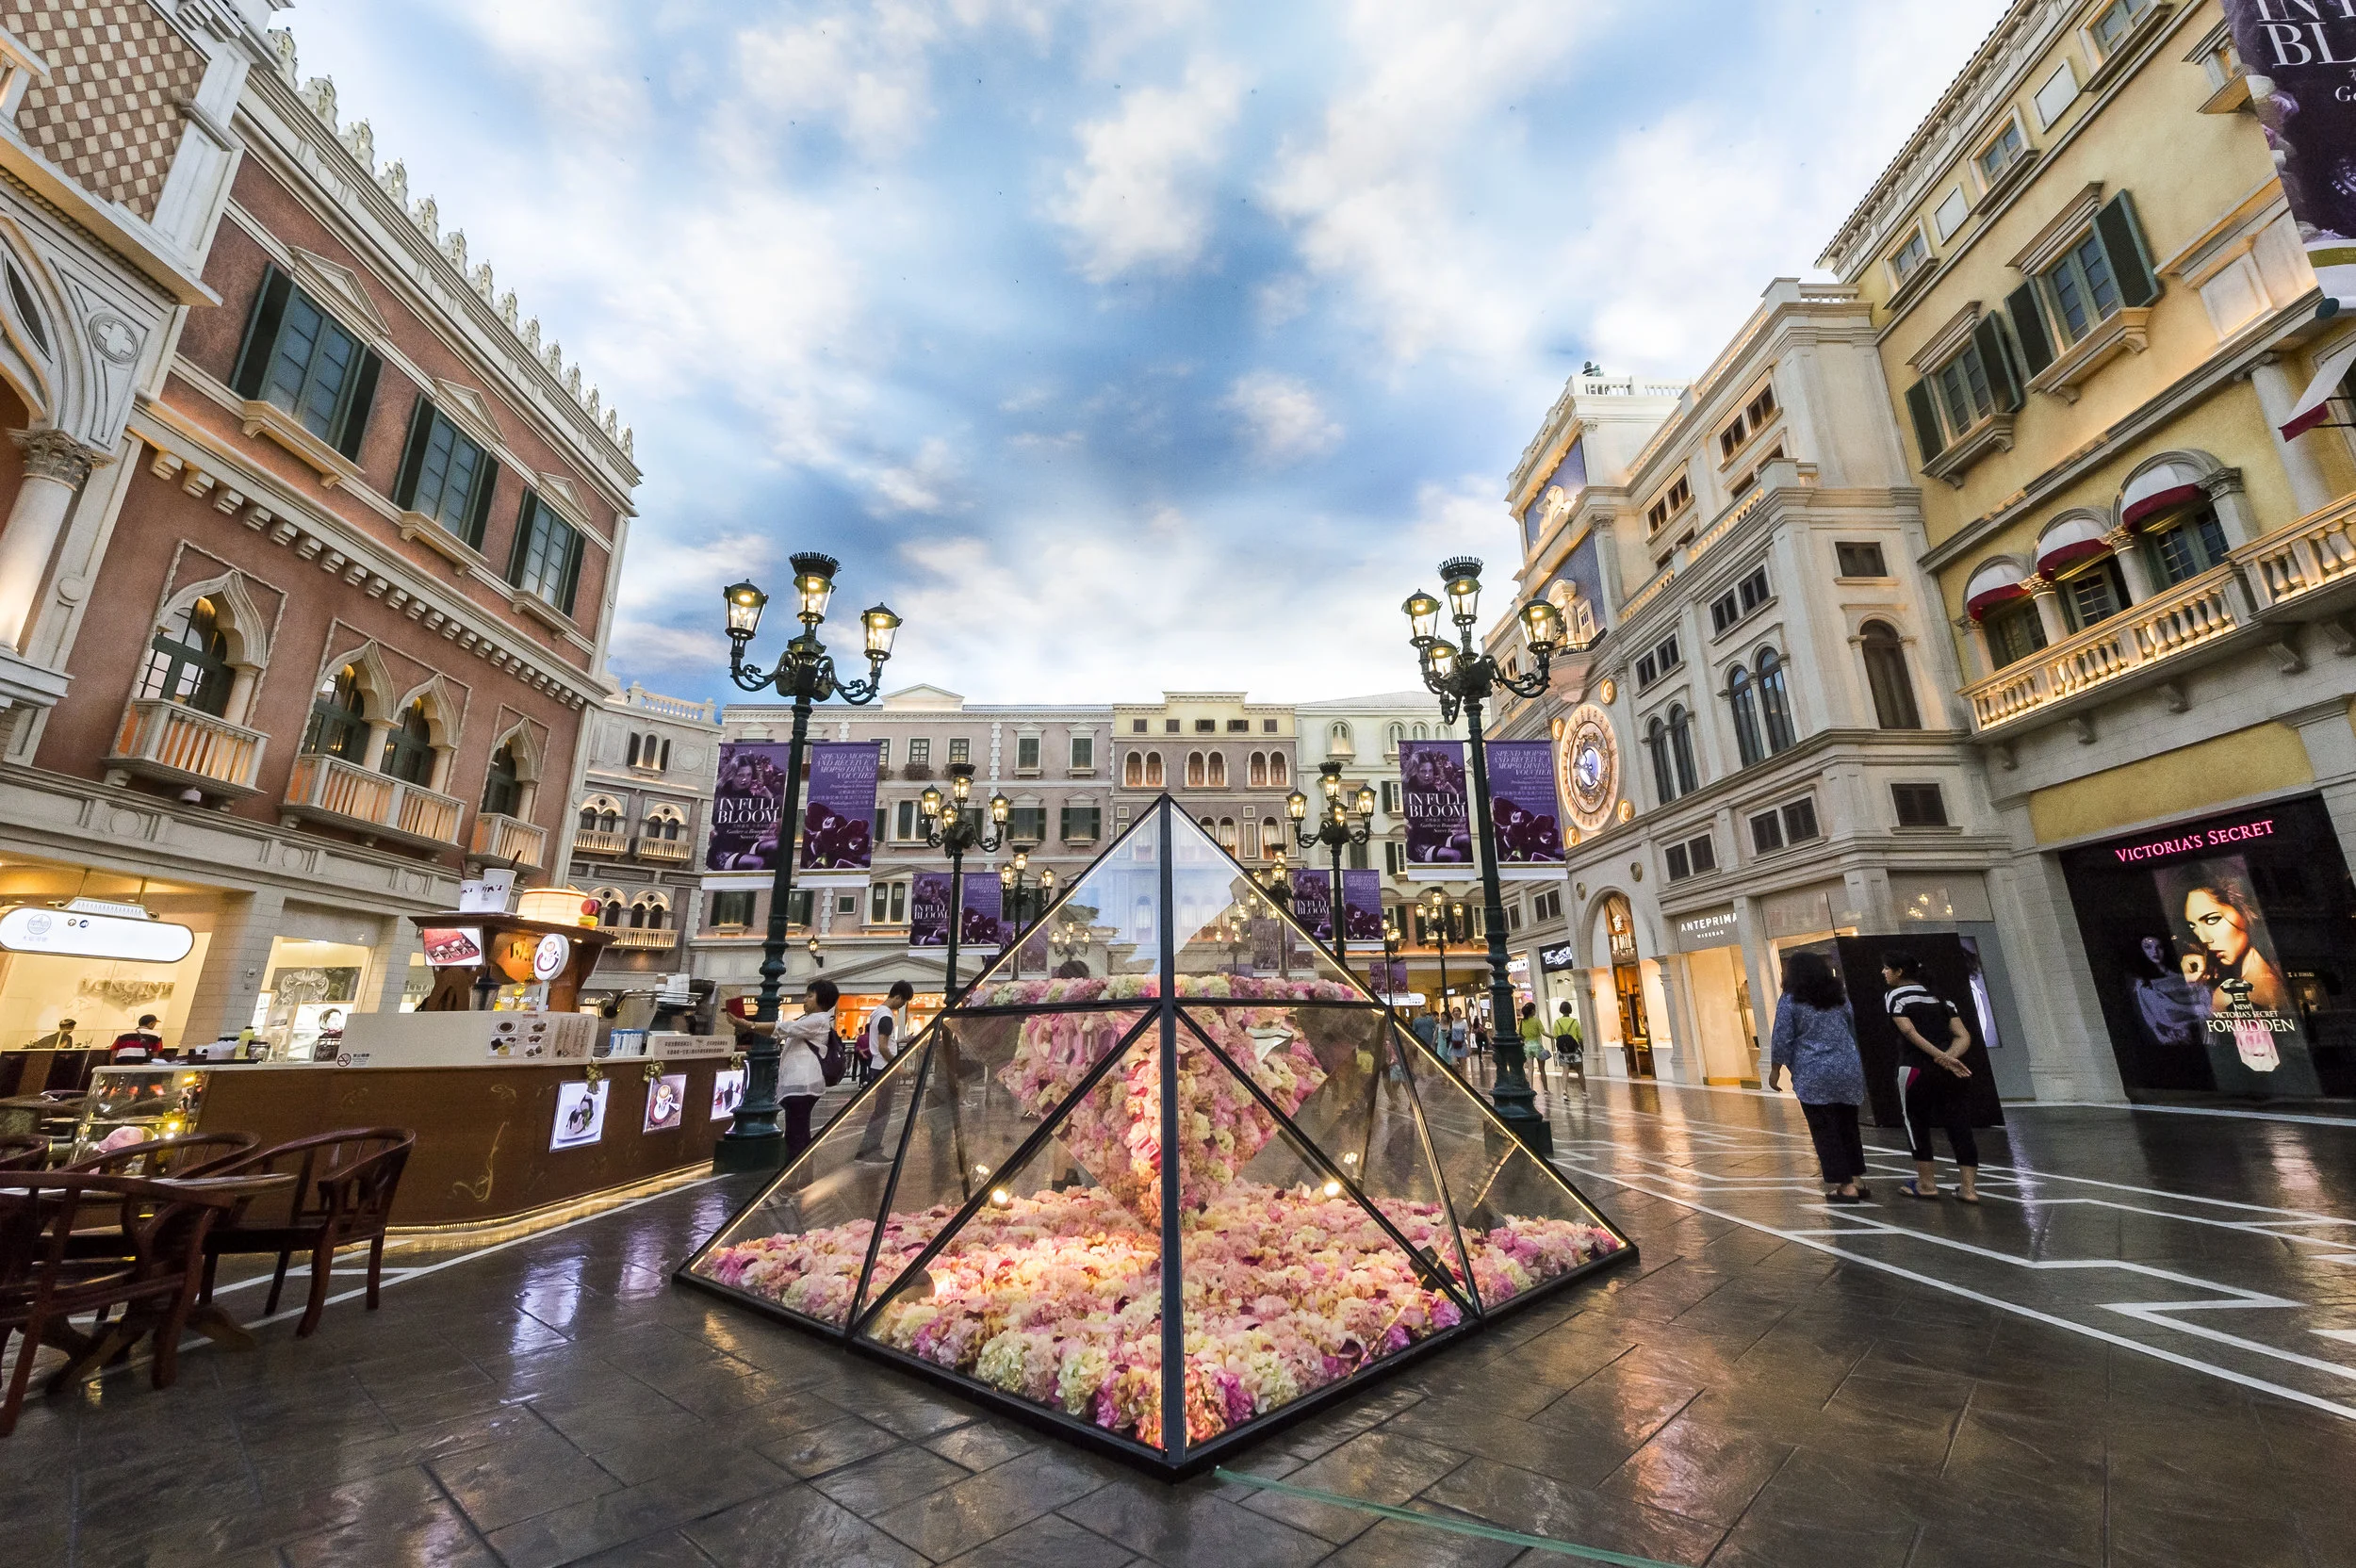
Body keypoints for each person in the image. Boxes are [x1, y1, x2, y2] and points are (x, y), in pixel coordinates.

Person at [1768, 953, 1871, 1204]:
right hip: (1847, 1067)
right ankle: (1857, 1179)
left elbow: (1782, 1036)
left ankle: (1845, 1186)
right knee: (1848, 1125)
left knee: (1825, 1129)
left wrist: (1775, 1069)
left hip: (1813, 1071)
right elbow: (1851, 1024)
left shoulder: (1791, 1000)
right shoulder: (1838, 996)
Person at [1881, 950, 1978, 1202]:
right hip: (1951, 1071)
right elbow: (1963, 1035)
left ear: (1899, 972)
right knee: (1959, 1125)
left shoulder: (1895, 995)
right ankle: (1969, 1189)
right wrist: (1949, 1059)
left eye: (1886, 968)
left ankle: (1926, 1184)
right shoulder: (1941, 998)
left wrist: (1938, 1056)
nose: (1883, 972)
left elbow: (1908, 1031)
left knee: (1916, 1123)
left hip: (1914, 1069)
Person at [772, 980, 840, 1161]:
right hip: (799, 1084)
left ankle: (794, 1177)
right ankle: (801, 1176)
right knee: (798, 1131)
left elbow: (783, 1028)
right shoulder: (809, 1020)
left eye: (810, 996)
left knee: (796, 1134)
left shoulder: (818, 1020)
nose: (805, 999)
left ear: (821, 999)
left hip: (802, 1084)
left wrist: (750, 1025)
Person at [855, 982, 915, 1161]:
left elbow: (884, 1044)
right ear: (897, 997)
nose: (902, 1006)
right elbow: (882, 1047)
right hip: (884, 1068)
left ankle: (868, 1148)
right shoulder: (886, 1017)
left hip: (877, 1066)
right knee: (882, 1111)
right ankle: (870, 1150)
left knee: (881, 1110)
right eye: (903, 1002)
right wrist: (899, 1067)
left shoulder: (877, 1013)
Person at [1518, 1002, 1551, 1094]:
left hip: (1527, 1046)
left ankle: (1530, 1088)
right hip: (1537, 1046)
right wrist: (1554, 1037)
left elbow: (1519, 1034)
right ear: (1532, 1011)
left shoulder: (1522, 1022)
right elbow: (1543, 1032)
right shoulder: (1536, 1020)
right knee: (1542, 1069)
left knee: (1530, 1069)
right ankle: (1545, 1089)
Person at [1552, 1001, 1584, 1082]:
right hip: (1574, 1049)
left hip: (1563, 1049)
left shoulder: (1557, 1022)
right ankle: (1584, 1091)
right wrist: (1582, 1048)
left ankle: (1564, 1091)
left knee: (1565, 1071)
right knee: (1580, 1072)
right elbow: (1580, 1037)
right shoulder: (1575, 1022)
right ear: (1570, 1010)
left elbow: (1556, 1036)